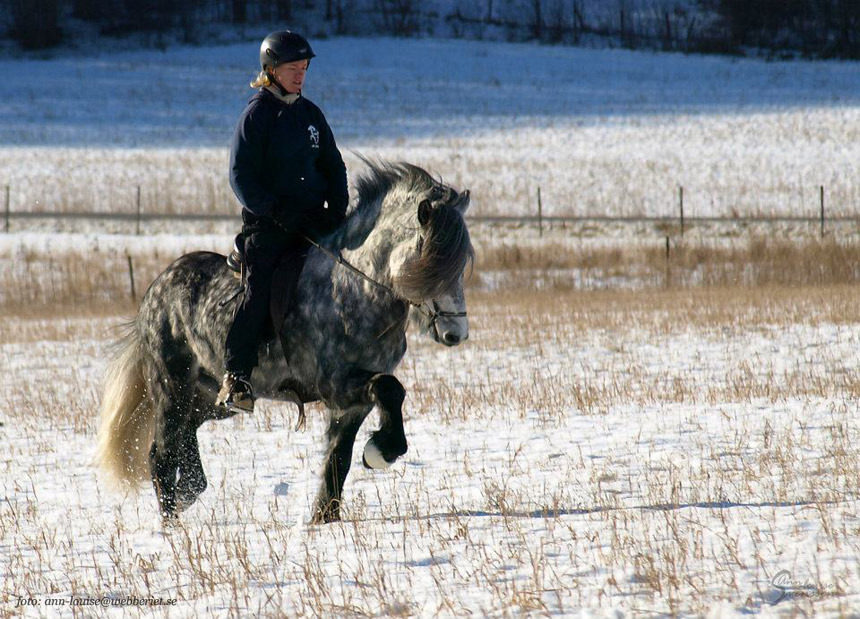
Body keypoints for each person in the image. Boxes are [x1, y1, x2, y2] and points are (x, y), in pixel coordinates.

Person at [217, 30, 349, 413]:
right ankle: (236, 376)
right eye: (293, 68)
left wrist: (336, 211)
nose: (300, 75)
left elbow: (333, 166)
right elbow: (240, 176)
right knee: (258, 292)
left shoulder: (311, 115)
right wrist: (274, 210)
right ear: (271, 70)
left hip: (313, 224)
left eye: (304, 67)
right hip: (269, 227)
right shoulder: (256, 116)